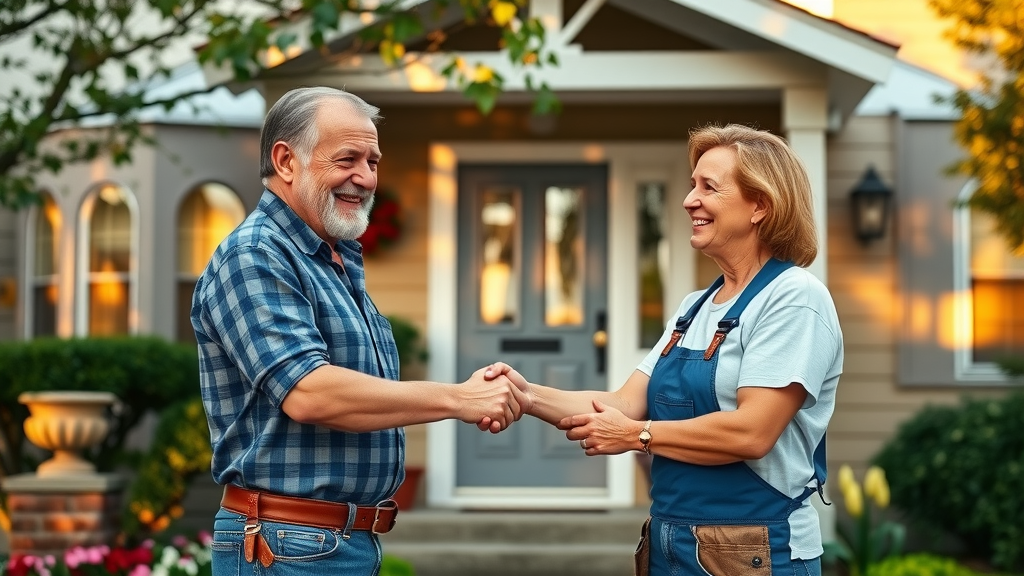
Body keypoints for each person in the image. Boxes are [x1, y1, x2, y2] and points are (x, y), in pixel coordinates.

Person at [191, 86, 528, 576]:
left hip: (327, 541)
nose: (365, 177)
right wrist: (460, 398)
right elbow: (308, 393)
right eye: (348, 158)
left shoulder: (333, 258)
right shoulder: (256, 254)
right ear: (286, 161)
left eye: (373, 161)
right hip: (286, 544)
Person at [488, 124, 843, 576]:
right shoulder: (693, 308)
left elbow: (752, 432)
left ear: (760, 205)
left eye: (708, 187)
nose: (688, 200)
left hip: (754, 550)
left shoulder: (794, 298)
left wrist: (638, 435)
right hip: (669, 543)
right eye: (692, 184)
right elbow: (621, 404)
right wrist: (523, 395)